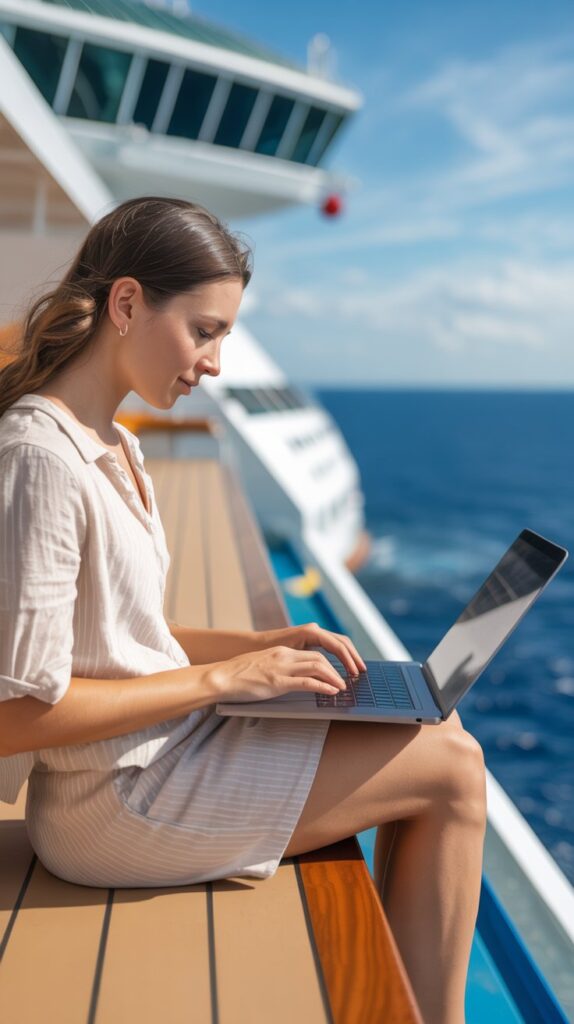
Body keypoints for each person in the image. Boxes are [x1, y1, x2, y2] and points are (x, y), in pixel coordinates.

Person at [0, 195, 486, 1024]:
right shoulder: (40, 457)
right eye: (205, 330)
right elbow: (16, 714)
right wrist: (226, 679)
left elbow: (120, 639)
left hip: (156, 759)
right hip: (112, 803)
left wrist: (265, 643)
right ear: (127, 304)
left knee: (435, 727)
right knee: (453, 771)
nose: (216, 363)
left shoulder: (113, 442)